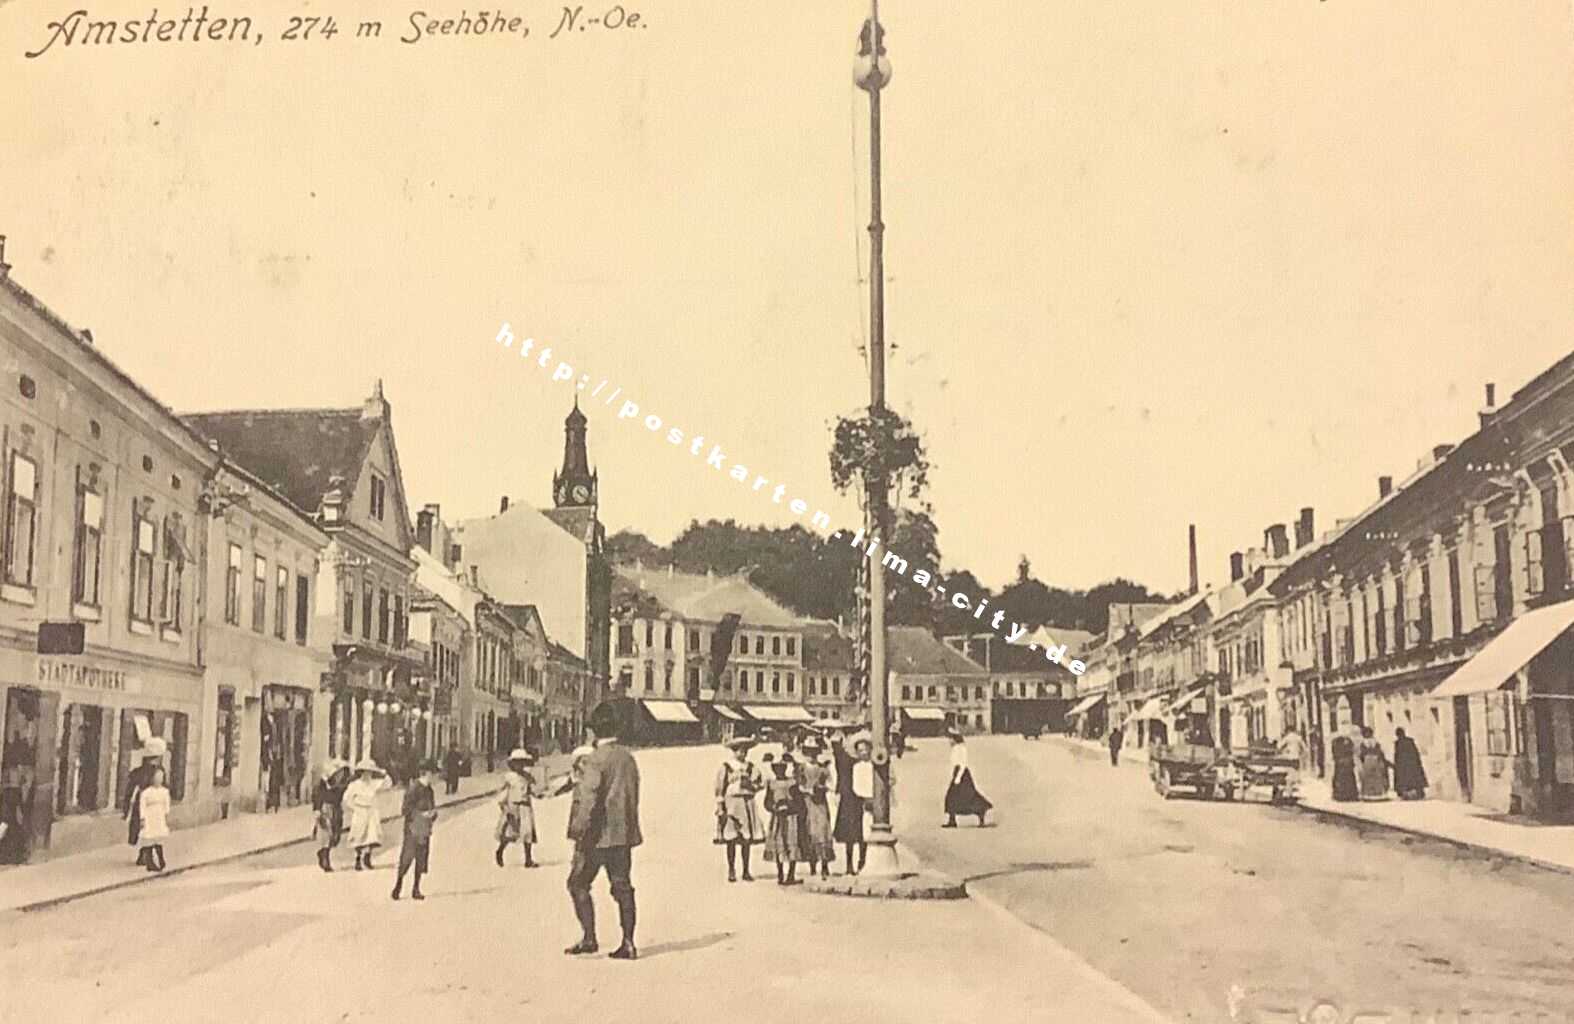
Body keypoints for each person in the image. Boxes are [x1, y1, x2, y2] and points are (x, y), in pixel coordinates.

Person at [565, 701, 642, 961]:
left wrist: (578, 832)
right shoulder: (628, 758)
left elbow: (589, 800)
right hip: (623, 835)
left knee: (577, 883)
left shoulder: (595, 760)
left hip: (596, 837)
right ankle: (628, 942)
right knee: (623, 887)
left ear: (594, 731)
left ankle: (589, 938)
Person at [714, 737, 764, 883]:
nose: (743, 753)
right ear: (734, 751)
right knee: (731, 838)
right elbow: (719, 789)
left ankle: (746, 870)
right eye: (740, 750)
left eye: (745, 751)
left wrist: (752, 785)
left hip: (746, 802)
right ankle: (731, 869)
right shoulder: (726, 767)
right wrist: (720, 807)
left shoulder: (751, 767)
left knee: (746, 839)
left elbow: (759, 783)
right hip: (732, 803)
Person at [392, 761, 439, 900]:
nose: (434, 777)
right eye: (433, 774)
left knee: (421, 858)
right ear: (426, 773)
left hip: (424, 829)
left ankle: (416, 888)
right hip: (412, 828)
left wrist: (432, 814)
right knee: (407, 857)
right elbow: (405, 809)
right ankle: (398, 886)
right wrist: (420, 814)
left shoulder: (430, 790)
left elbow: (432, 806)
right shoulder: (414, 788)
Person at [830, 731, 869, 876]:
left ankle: (862, 861)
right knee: (849, 836)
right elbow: (838, 754)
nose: (863, 753)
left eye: (865, 750)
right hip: (849, 801)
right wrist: (837, 740)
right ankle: (849, 864)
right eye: (860, 750)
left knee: (863, 834)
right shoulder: (848, 763)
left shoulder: (869, 765)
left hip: (863, 802)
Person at [495, 748, 541, 868]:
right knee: (510, 832)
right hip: (512, 806)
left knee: (528, 832)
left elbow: (533, 790)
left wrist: (539, 794)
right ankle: (500, 850)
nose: (519, 765)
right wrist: (503, 805)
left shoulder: (528, 776)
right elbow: (502, 791)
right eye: (517, 763)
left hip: (525, 806)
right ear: (512, 764)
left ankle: (528, 859)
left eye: (522, 762)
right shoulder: (509, 777)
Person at [798, 737, 835, 880]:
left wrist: (823, 788)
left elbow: (831, 784)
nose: (812, 755)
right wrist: (807, 790)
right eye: (809, 752)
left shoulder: (822, 768)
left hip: (820, 803)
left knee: (823, 831)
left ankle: (825, 866)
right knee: (810, 832)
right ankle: (812, 866)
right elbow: (798, 785)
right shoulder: (801, 768)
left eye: (814, 752)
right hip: (807, 803)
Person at [763, 757, 803, 886]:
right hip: (777, 817)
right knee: (778, 844)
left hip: (791, 817)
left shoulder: (792, 783)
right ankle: (780, 873)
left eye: (782, 768)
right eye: (776, 769)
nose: (779, 771)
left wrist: (790, 806)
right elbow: (767, 802)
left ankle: (791, 874)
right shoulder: (771, 784)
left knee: (792, 843)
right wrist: (774, 807)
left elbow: (799, 802)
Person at [343, 759, 389, 870]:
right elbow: (347, 798)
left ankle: (367, 857)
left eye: (370, 772)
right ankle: (358, 859)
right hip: (360, 811)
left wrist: (384, 774)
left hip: (371, 811)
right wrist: (354, 807)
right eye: (365, 772)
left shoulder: (373, 784)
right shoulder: (355, 785)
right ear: (361, 772)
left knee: (371, 836)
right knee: (359, 835)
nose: (368, 774)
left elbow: (387, 784)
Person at [942, 730, 992, 828]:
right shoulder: (955, 748)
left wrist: (958, 777)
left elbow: (963, 764)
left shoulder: (961, 748)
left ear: (955, 739)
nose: (949, 741)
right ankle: (952, 820)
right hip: (957, 773)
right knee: (953, 797)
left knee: (967, 796)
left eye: (950, 739)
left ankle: (981, 812)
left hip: (963, 775)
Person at [311, 758, 350, 872]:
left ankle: (322, 853)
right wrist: (317, 810)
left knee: (335, 836)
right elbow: (317, 797)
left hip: (337, 810)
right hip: (325, 809)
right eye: (338, 773)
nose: (340, 775)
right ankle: (325, 859)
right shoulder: (323, 785)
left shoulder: (342, 784)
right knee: (326, 836)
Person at [137, 765, 171, 873]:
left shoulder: (164, 791)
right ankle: (150, 862)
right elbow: (142, 806)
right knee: (149, 838)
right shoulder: (146, 792)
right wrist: (142, 818)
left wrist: (166, 815)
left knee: (158, 837)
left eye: (161, 777)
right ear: (152, 779)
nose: (159, 780)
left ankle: (161, 859)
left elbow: (167, 804)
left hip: (159, 816)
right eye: (157, 777)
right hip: (149, 816)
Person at [1392, 727, 1428, 799]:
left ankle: (1415, 793)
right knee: (1412, 778)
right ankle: (1411, 793)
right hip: (1409, 763)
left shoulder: (1400, 742)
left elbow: (1398, 755)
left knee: (1408, 778)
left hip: (1407, 763)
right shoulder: (1407, 741)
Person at [1357, 726, 1389, 800]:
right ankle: (1376, 793)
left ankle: (1369, 794)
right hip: (1375, 759)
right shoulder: (1376, 742)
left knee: (1369, 777)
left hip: (1367, 760)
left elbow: (1361, 753)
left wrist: (1362, 760)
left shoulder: (1363, 743)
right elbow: (1380, 752)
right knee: (1375, 777)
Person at [1330, 725, 1359, 801]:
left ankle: (1343, 795)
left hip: (1342, 763)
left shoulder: (1343, 741)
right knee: (1346, 779)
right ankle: (1346, 795)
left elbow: (1351, 751)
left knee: (1343, 779)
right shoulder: (1343, 741)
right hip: (1345, 763)